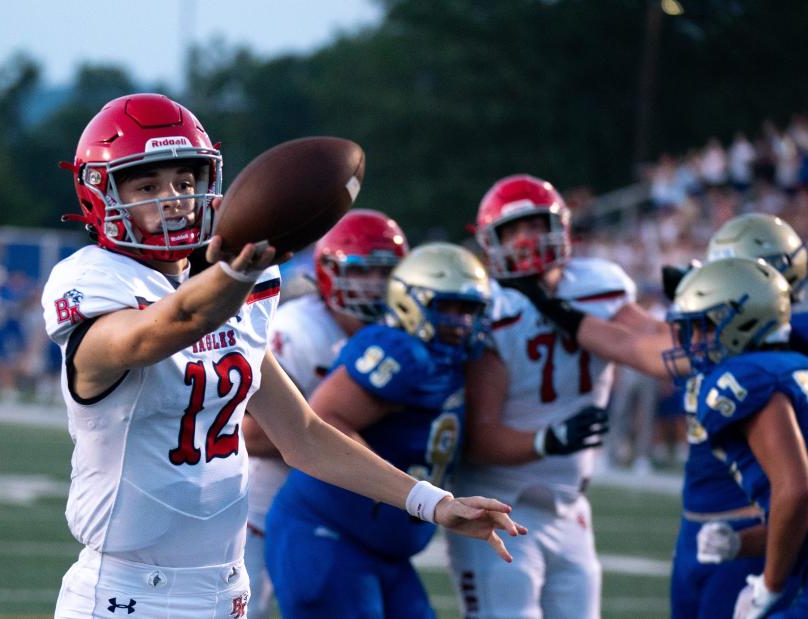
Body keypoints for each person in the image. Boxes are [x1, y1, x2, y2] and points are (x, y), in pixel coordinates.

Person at [42, 93, 524, 619]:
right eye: (148, 185)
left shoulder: (233, 291)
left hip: (225, 590)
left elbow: (305, 435)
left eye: (185, 181)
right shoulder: (93, 281)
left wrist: (434, 503)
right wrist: (234, 276)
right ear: (100, 192)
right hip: (128, 593)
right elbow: (166, 327)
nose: (175, 199)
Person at [519, 212, 808, 618]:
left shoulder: (758, 356)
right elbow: (640, 347)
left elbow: (794, 487)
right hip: (711, 529)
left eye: (724, 272)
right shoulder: (725, 345)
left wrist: (769, 580)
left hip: (757, 527)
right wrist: (557, 310)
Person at [264, 242, 517, 619]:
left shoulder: (455, 360)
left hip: (383, 547)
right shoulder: (399, 351)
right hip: (330, 536)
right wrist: (399, 489)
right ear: (409, 301)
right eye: (447, 307)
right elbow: (325, 419)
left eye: (469, 310)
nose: (461, 321)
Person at [448, 174, 649, 619]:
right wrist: (548, 439)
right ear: (489, 241)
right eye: (512, 231)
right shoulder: (489, 305)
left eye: (535, 225)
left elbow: (649, 345)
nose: (526, 240)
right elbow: (479, 437)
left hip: (570, 506)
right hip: (498, 503)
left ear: (560, 227)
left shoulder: (597, 284)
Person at [242, 208, 409, 618]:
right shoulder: (297, 329)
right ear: (330, 272)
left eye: (385, 273)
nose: (374, 286)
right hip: (261, 509)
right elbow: (247, 432)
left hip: (341, 510)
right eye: (362, 272)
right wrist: (334, 423)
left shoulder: (400, 331)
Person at [666, 257, 808, 618]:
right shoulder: (793, 366)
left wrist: (768, 587)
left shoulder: (746, 377)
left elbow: (796, 489)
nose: (694, 343)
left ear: (743, 322)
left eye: (705, 328)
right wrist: (741, 543)